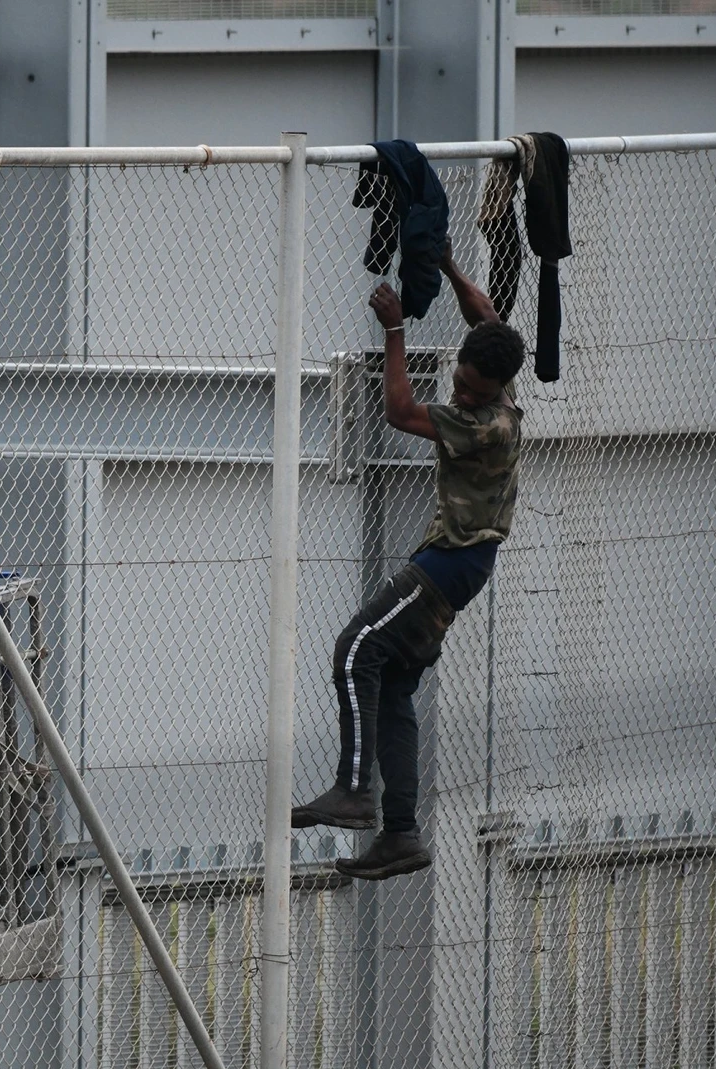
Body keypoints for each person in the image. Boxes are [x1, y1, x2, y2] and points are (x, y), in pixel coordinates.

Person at [291, 254, 525, 881]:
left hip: (449, 563)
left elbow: (397, 409)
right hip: (460, 565)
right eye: (462, 381)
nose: (462, 392)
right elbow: (487, 316)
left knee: (354, 649)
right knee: (391, 684)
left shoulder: (482, 423)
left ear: (490, 391)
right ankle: (400, 833)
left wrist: (395, 330)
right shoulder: (500, 381)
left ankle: (354, 789)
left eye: (473, 390)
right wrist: (444, 262)